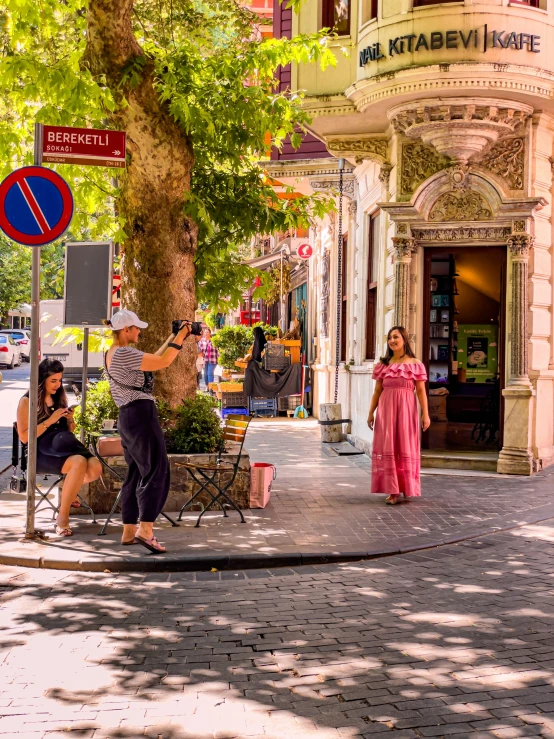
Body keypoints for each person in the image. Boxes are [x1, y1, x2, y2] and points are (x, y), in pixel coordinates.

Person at [104, 309, 192, 553]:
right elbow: (163, 362)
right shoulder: (125, 353)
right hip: (140, 414)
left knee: (135, 472)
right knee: (156, 470)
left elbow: (152, 357)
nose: (139, 331)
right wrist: (183, 335)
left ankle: (129, 531)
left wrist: (173, 337)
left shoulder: (112, 353)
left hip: (127, 416)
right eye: (136, 328)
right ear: (126, 330)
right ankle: (146, 530)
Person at [16, 358, 102, 537]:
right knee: (79, 462)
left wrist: (69, 418)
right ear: (42, 380)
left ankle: (70, 485)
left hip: (63, 446)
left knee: (95, 468)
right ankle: (62, 519)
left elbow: (69, 430)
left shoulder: (59, 397)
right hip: (39, 452)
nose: (58, 384)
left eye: (60, 380)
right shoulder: (27, 401)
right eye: (53, 380)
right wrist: (51, 420)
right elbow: (24, 437)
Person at [367, 326, 430, 505]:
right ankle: (392, 490)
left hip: (406, 411)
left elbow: (420, 391)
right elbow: (377, 391)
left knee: (404, 446)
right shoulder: (383, 365)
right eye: (390, 338)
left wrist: (426, 415)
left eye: (396, 337)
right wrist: (371, 412)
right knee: (389, 446)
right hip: (386, 412)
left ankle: (405, 487)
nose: (392, 340)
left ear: (404, 339)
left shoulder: (416, 364)